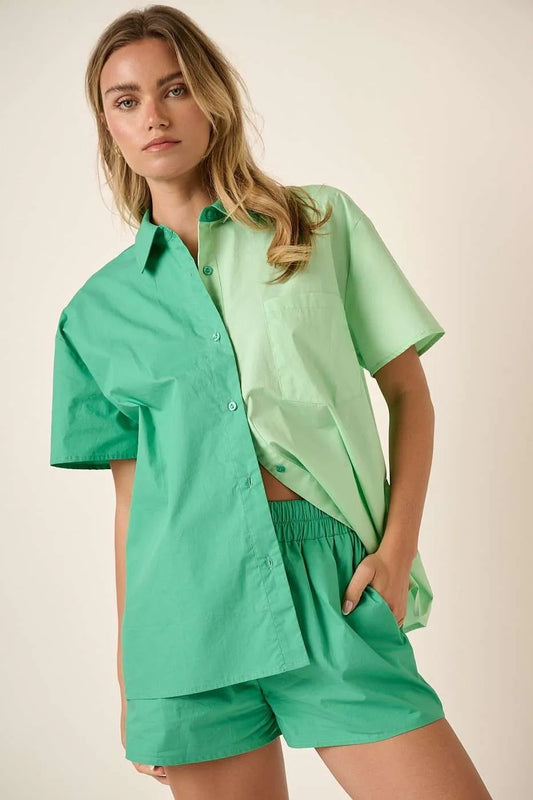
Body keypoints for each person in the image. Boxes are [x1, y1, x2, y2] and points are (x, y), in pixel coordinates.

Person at [49, 5, 493, 799]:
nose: (153, 115)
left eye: (175, 88)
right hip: (183, 610)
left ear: (211, 98)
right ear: (107, 126)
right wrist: (130, 677)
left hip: (332, 579)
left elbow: (407, 393)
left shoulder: (316, 223)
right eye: (126, 100)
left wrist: (395, 554)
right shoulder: (95, 314)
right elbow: (131, 503)